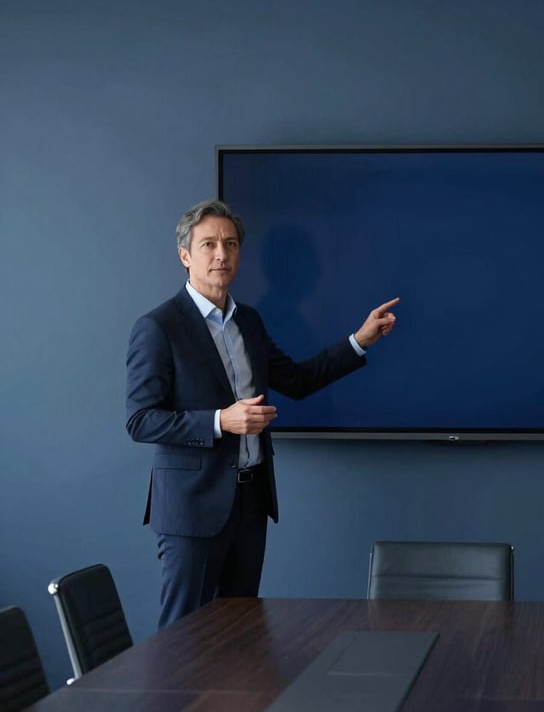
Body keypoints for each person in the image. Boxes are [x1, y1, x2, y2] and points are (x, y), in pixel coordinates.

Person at [126, 199, 398, 628]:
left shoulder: (248, 322)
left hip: (250, 505)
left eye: (230, 244)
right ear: (185, 256)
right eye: (209, 244)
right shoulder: (159, 327)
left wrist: (358, 341)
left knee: (237, 636)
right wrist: (221, 421)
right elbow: (140, 420)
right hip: (193, 510)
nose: (221, 254)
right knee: (182, 639)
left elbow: (299, 380)